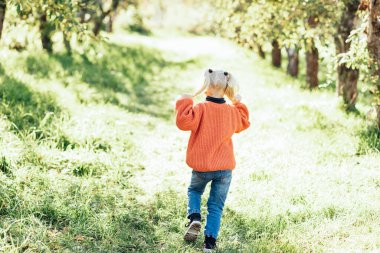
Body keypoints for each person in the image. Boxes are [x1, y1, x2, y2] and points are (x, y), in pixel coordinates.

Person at [175, 69, 250, 252]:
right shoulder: (231, 112)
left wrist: (187, 99)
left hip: (202, 166)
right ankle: (209, 244)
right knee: (216, 206)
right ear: (226, 89)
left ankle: (195, 217)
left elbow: (183, 122)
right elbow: (244, 122)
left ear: (205, 88)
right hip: (224, 169)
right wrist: (237, 102)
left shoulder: (200, 109)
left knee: (194, 190)